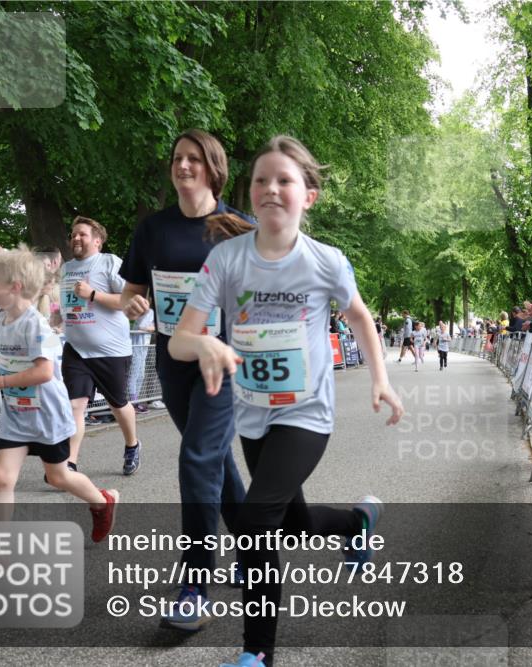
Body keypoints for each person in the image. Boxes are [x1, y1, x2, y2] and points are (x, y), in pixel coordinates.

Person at [169, 135, 404, 667]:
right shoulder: (226, 260)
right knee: (288, 522)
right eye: (260, 180)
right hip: (253, 414)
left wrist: (380, 378)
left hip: (307, 413)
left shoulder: (325, 262)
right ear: (248, 193)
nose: (270, 189)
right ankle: (355, 523)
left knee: (255, 519)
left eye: (284, 180)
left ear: (308, 196)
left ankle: (257, 654)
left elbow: (360, 317)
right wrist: (205, 341)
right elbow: (180, 339)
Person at [120, 129, 254, 630]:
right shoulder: (153, 229)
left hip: (225, 362)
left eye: (194, 159)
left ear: (213, 168)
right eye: (177, 157)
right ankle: (254, 553)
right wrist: (135, 303)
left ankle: (195, 585)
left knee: (197, 456)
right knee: (214, 458)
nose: (183, 166)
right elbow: (135, 292)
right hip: (173, 358)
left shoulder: (239, 227)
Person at [0, 246, 118, 541]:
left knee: (57, 476)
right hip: (16, 415)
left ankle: (103, 502)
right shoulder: (0, 321)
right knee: (1, 479)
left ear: (14, 287)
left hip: (46, 415)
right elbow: (14, 362)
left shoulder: (35, 324)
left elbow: (43, 372)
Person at [60, 216, 142, 476]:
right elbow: (68, 303)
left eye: (82, 234)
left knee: (118, 404)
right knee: (75, 405)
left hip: (110, 351)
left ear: (97, 240)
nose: (75, 238)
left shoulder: (109, 262)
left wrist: (93, 294)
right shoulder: (66, 268)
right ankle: (70, 463)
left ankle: (132, 445)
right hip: (76, 349)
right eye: (73, 234)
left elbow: (130, 300)